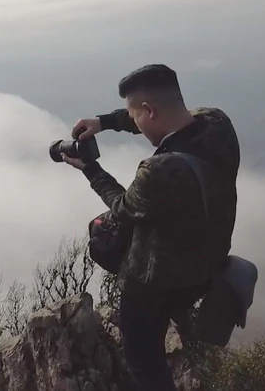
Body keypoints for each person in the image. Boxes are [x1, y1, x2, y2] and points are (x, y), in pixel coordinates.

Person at [61, 64, 240, 390]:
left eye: (136, 115)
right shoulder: (218, 123)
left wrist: (90, 169)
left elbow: (123, 208)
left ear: (149, 110)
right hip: (208, 264)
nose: (137, 124)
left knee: (145, 364)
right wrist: (104, 123)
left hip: (155, 286)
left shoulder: (158, 169)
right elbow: (159, 114)